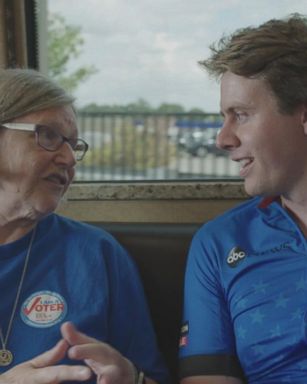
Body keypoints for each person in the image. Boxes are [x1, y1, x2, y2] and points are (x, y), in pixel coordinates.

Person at [0, 68, 169, 384]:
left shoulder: (98, 254)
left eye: (73, 145)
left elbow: (153, 378)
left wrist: (132, 379)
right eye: (48, 136)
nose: (68, 158)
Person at [179, 13, 307, 384]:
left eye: (241, 115)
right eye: (224, 117)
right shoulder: (220, 242)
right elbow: (206, 376)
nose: (223, 139)